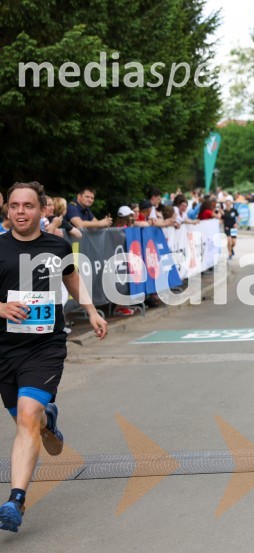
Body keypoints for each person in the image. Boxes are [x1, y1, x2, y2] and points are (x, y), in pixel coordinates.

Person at [0, 182, 107, 533]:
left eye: (27, 205)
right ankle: (49, 418)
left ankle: (15, 500)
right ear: (8, 209)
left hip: (45, 347)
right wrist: (1, 308)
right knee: (27, 421)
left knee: (26, 418)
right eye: (14, 205)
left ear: (42, 209)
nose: (20, 211)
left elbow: (71, 278)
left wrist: (91, 310)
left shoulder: (57, 245)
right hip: (5, 350)